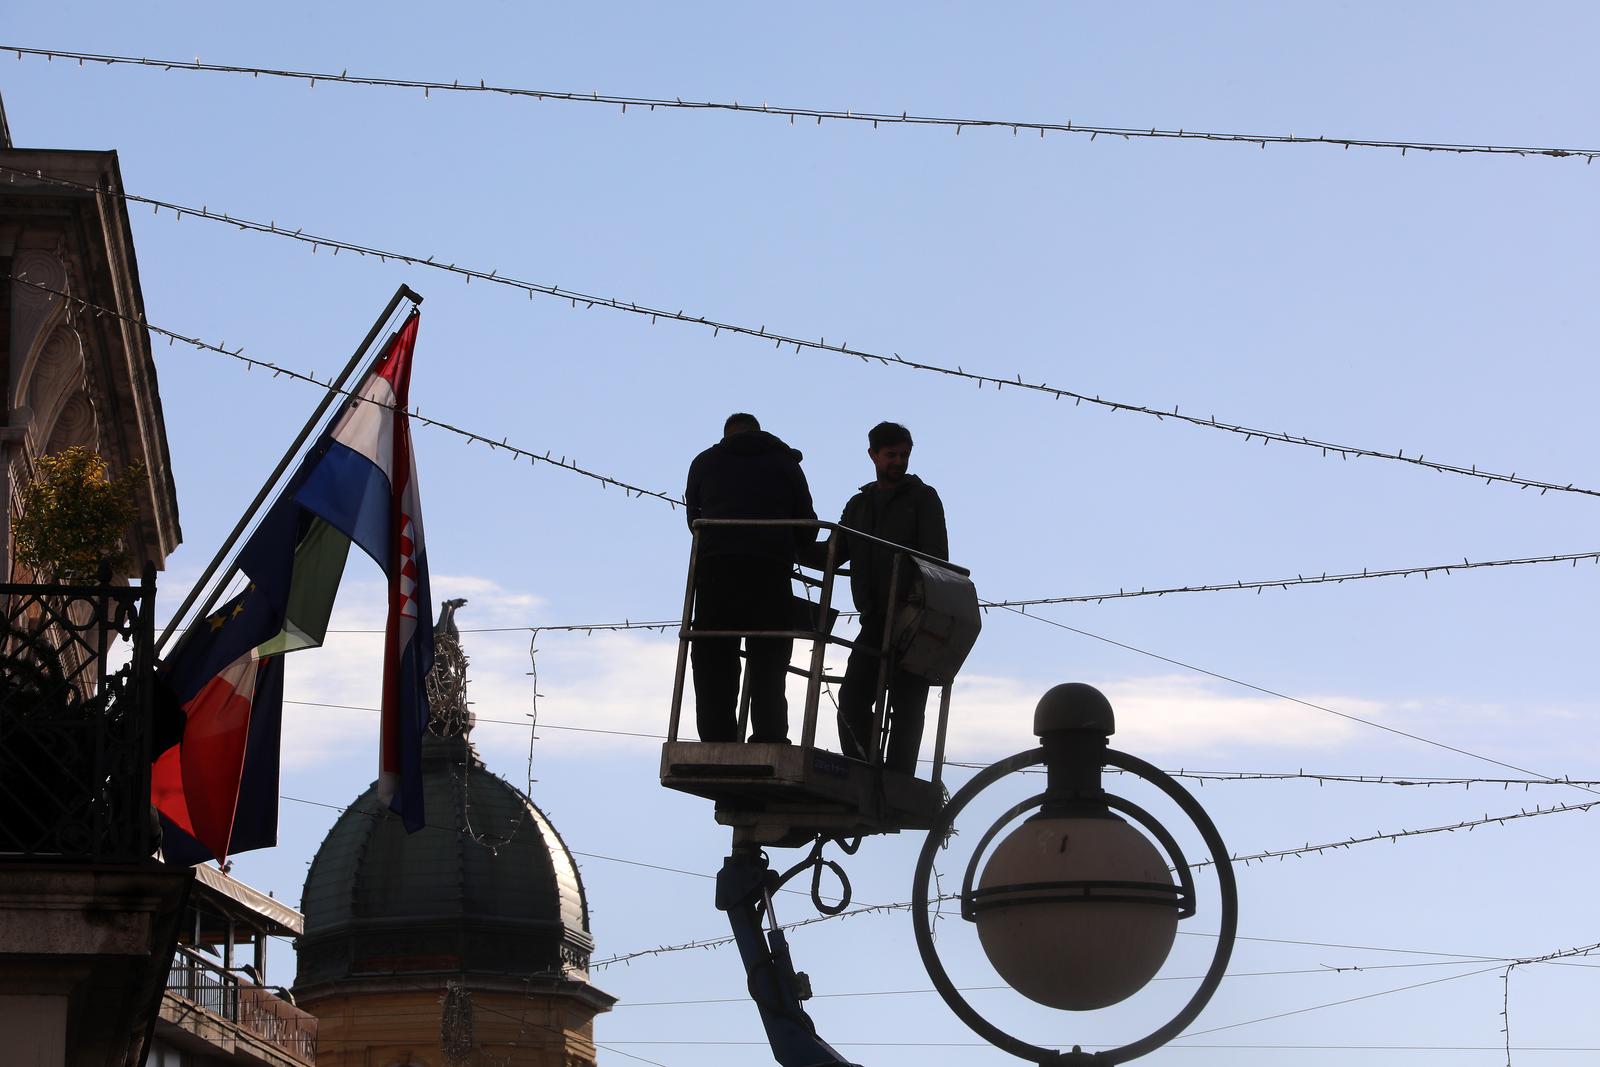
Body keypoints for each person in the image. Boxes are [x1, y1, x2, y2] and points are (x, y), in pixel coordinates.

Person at [684, 413, 816, 744]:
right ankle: (769, 737)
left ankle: (717, 740)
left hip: (715, 573)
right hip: (769, 573)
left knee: (713, 657)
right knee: (769, 659)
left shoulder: (704, 462)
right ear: (759, 432)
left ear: (726, 434)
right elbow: (807, 527)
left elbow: (693, 522)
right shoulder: (785, 463)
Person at [830, 421, 948, 772]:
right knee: (852, 700)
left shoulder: (923, 499)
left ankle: (898, 777)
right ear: (873, 455)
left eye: (904, 455)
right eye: (891, 455)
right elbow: (833, 553)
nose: (898, 461)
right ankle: (864, 770)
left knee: (908, 703)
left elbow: (936, 560)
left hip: (913, 619)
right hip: (874, 619)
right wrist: (790, 540)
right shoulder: (858, 506)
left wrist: (918, 603)